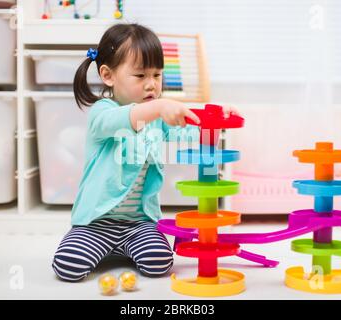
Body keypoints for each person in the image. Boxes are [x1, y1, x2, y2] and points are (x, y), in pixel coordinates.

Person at [52, 23, 239, 282]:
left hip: (139, 224)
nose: (152, 85)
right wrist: (160, 107)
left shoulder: (157, 118)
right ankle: (103, 246)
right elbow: (125, 118)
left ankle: (125, 247)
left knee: (159, 263)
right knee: (68, 266)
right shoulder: (102, 113)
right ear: (108, 75)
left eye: (157, 75)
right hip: (95, 224)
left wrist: (215, 117)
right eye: (140, 76)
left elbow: (191, 132)